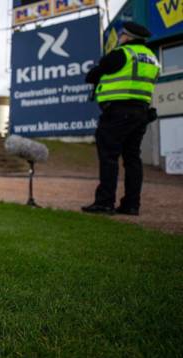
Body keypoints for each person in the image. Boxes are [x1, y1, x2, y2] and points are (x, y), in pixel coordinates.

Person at [82, 22, 160, 216]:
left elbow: (91, 76)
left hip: (117, 113)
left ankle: (105, 203)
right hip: (141, 112)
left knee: (109, 156)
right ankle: (131, 205)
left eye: (121, 34)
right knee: (132, 159)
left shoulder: (121, 53)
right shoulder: (153, 58)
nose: (120, 37)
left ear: (128, 36)